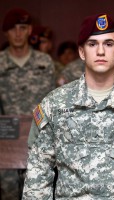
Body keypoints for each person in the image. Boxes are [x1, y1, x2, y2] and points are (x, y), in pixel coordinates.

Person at [23, 13, 114, 199]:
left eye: (108, 44)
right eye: (92, 44)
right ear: (81, 52)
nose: (100, 51)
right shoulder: (54, 104)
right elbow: (38, 171)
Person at [0, 8, 55, 200]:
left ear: (30, 30)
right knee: (8, 194)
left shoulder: (45, 62)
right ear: (5, 32)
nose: (17, 34)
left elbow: (51, 104)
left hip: (38, 142)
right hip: (5, 145)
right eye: (12, 29)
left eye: (22, 28)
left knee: (38, 194)